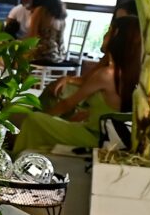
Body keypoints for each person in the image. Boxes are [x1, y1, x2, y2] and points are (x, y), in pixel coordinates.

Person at [13, 15, 141, 154]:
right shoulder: (129, 72)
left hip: (94, 137)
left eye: (109, 30)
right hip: (103, 134)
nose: (105, 35)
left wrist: (47, 117)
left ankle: (18, 160)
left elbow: (68, 104)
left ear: (116, 35)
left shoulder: (107, 74)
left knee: (35, 120)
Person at [27, 0, 68, 64]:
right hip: (60, 55)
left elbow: (32, 37)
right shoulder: (61, 12)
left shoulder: (40, 11)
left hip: (43, 55)